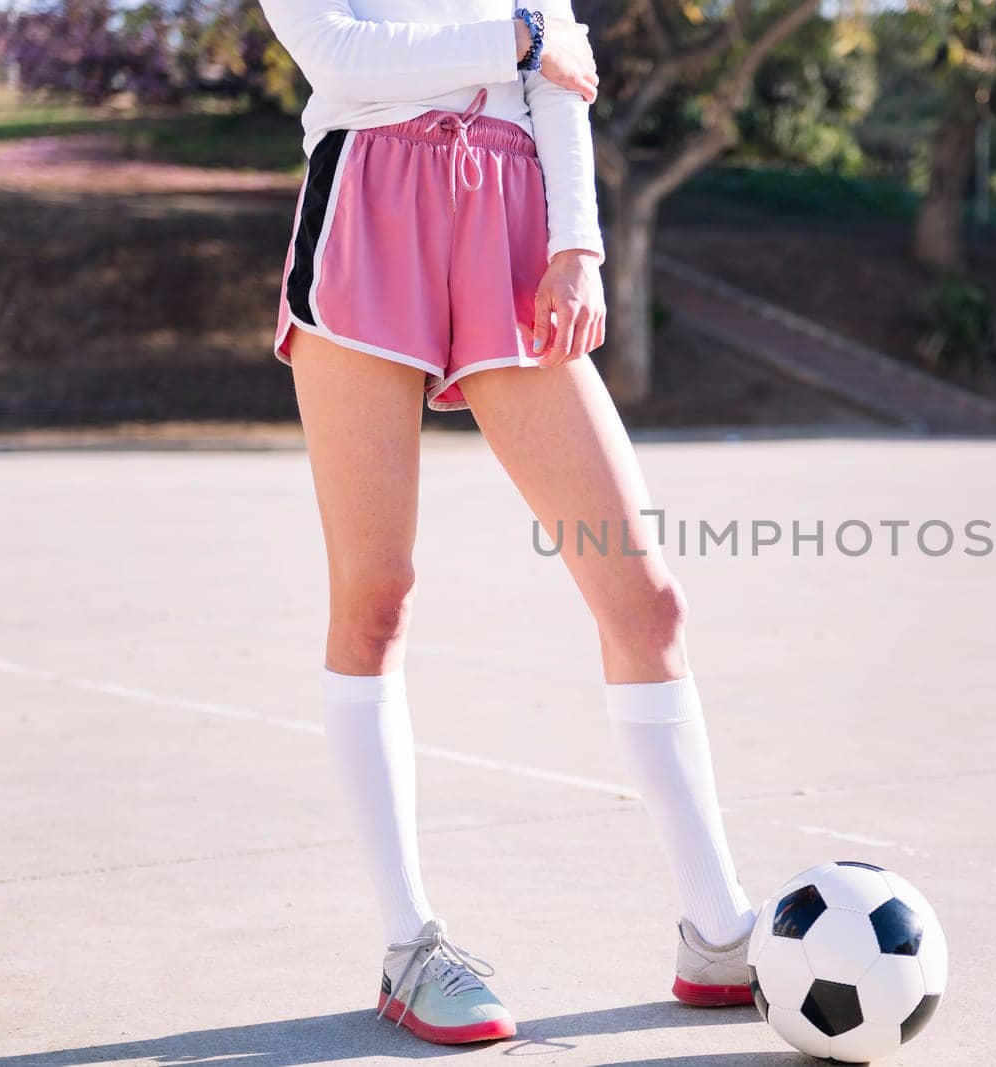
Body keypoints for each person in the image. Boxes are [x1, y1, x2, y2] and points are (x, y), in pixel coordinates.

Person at [258, 0, 757, 1045]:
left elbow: (563, 74)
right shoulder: (507, 28)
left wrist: (579, 243)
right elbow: (341, 61)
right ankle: (410, 946)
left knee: (643, 595)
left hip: (513, 213)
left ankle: (717, 934)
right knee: (376, 595)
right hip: (367, 203)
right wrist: (514, 39)